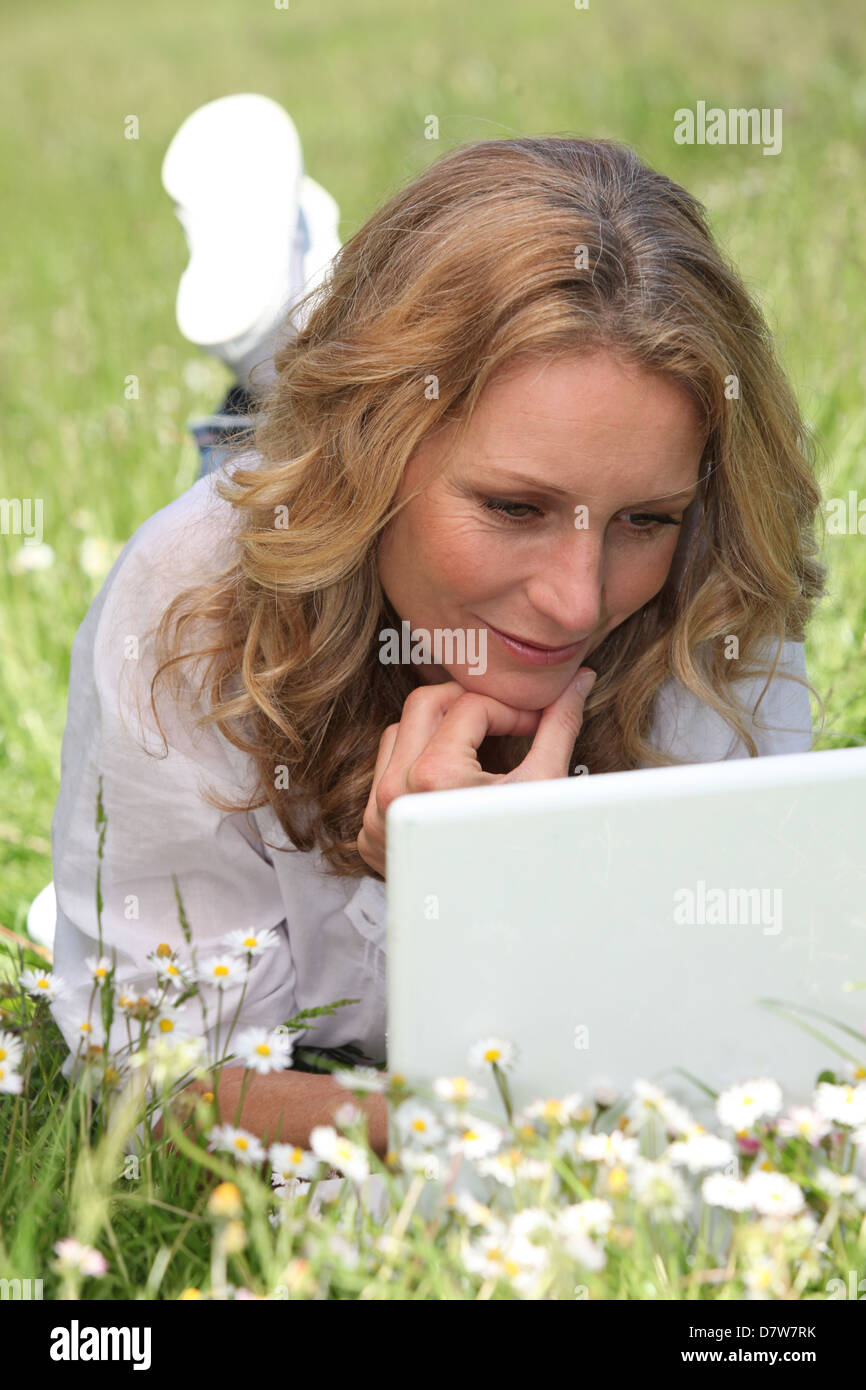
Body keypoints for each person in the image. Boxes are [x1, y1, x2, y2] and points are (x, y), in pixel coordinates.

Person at [49, 106, 825, 1165]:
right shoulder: (187, 605)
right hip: (304, 529)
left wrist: (488, 897)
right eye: (513, 507)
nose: (575, 600)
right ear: (375, 458)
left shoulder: (708, 605)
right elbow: (152, 1076)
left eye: (643, 517)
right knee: (262, 440)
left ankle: (298, 321)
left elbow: (747, 1033)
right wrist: (507, 1143)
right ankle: (276, 320)